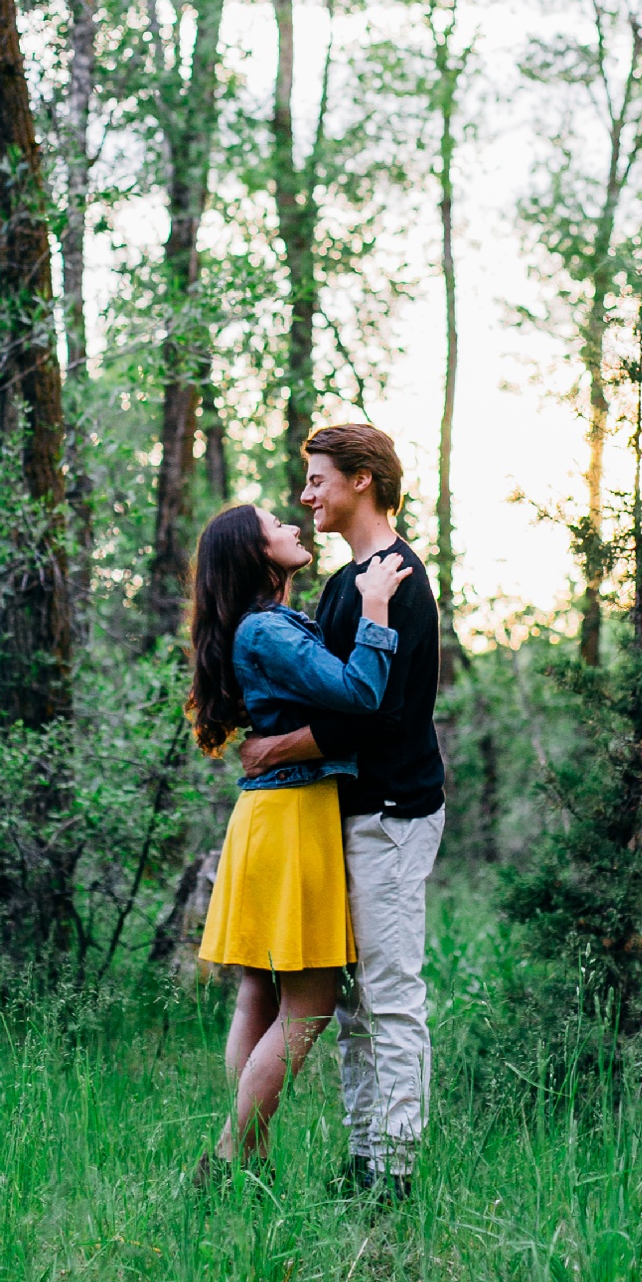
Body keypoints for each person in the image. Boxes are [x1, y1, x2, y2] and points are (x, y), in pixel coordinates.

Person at [238, 425, 445, 1200]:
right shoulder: (341, 584)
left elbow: (379, 714)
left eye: (319, 479)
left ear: (363, 480)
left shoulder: (399, 579)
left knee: (390, 995)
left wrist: (279, 746)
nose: (306, 494)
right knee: (355, 1004)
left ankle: (392, 1172)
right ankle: (364, 1158)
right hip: (342, 820)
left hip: (392, 813)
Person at [187, 501, 414, 1176]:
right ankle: (229, 1155)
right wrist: (374, 605)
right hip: (290, 818)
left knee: (259, 993)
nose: (292, 524)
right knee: (309, 1004)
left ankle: (250, 1162)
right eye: (275, 524)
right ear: (255, 553)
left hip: (272, 815)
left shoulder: (266, 624)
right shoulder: (266, 631)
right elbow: (361, 690)